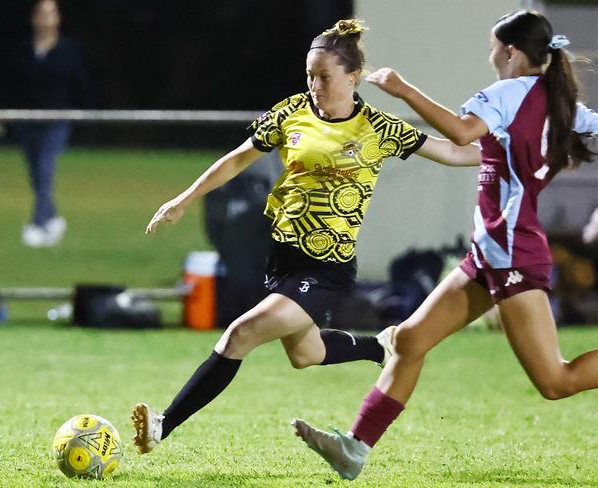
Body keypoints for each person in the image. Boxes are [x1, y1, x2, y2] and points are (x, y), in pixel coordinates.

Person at [131, 19, 480, 455]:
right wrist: (184, 197)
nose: (314, 84)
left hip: (327, 265)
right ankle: (382, 345)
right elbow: (237, 159)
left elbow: (453, 151)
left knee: (239, 335)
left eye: (324, 76)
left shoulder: (377, 127)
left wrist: (514, 153)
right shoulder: (292, 111)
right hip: (283, 259)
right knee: (306, 354)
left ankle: (162, 425)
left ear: (352, 78)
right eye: (309, 75)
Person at [292, 10, 598, 481]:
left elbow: (461, 132)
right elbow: (471, 149)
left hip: (513, 253)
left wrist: (402, 89)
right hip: (490, 253)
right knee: (410, 341)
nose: (491, 55)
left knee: (556, 382)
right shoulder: (559, 102)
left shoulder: (507, 93)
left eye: (494, 48)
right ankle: (355, 448)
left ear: (510, 52)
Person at [7, 0, 92, 247]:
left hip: (56, 121)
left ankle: (37, 224)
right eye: (41, 14)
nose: (45, 18)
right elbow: (13, 86)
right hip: (27, 121)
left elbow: (81, 84)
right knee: (35, 176)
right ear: (33, 18)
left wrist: (85, 117)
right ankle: (53, 218)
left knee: (45, 171)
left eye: (50, 13)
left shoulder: (67, 50)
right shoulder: (24, 49)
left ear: (58, 18)